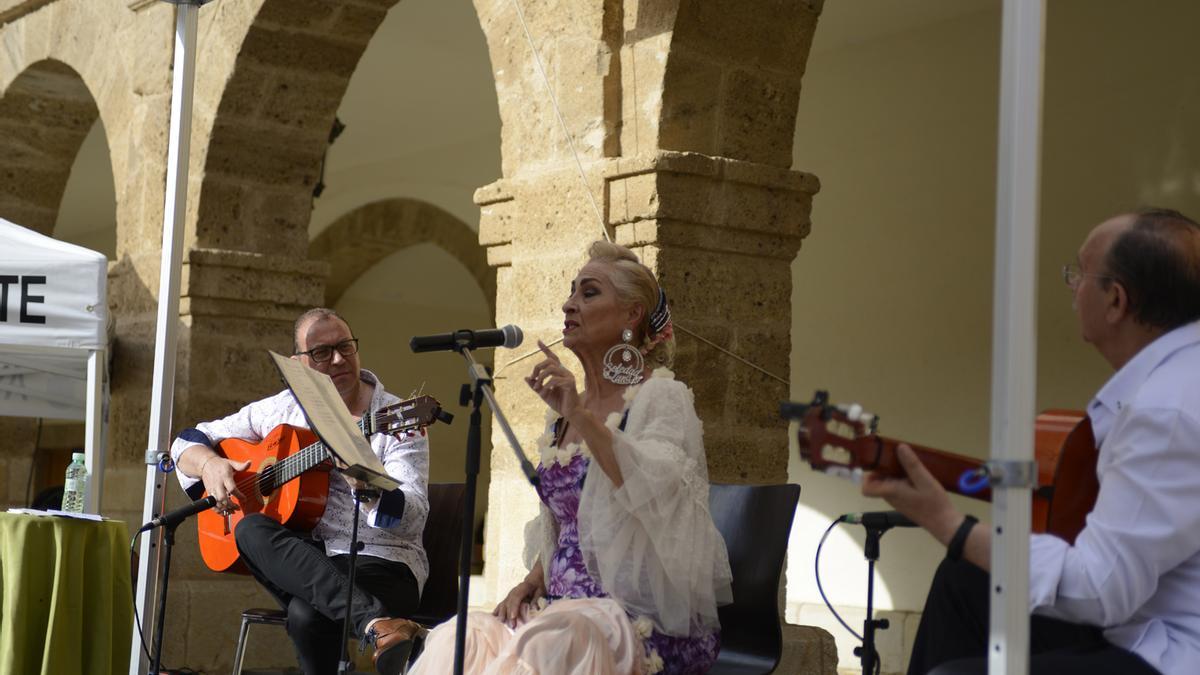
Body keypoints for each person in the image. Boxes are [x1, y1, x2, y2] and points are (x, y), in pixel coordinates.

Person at [862, 208, 1200, 675]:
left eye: (1080, 273)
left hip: (1173, 649)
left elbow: (1099, 591)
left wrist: (949, 524)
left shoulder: (1166, 412)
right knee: (966, 581)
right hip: (1142, 615)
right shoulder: (1175, 383)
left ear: (1116, 300)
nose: (1073, 285)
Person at [410, 241, 733, 674]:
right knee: (460, 637)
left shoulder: (662, 397)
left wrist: (579, 414)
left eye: (589, 293)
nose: (569, 304)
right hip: (562, 608)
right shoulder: (561, 412)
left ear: (632, 315)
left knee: (555, 639)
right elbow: (567, 525)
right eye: (571, 292)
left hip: (639, 618)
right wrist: (529, 582)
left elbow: (653, 491)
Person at [169, 308, 429, 674]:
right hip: (308, 560)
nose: (338, 359)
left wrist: (368, 487)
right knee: (249, 529)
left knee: (306, 614)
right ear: (298, 364)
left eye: (345, 347)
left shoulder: (396, 417)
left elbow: (414, 515)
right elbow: (187, 442)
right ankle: (378, 626)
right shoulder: (281, 409)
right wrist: (210, 464)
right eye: (322, 352)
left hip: (383, 562)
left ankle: (375, 625)